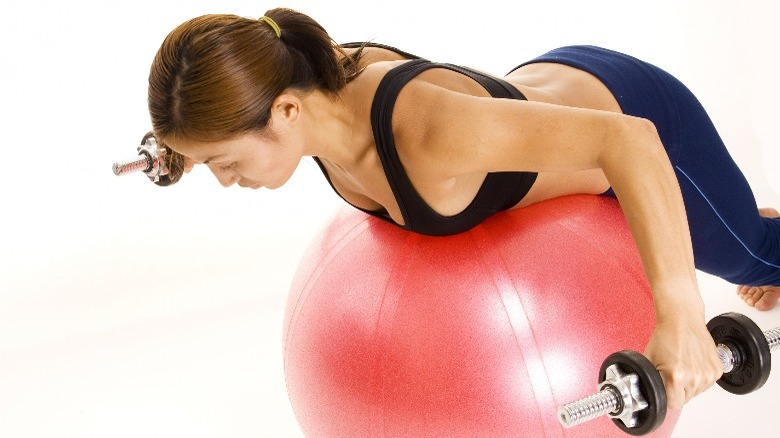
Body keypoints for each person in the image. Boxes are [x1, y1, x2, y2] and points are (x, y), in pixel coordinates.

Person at [146, 8, 780, 410]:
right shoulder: (302, 93)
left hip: (633, 118)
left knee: (753, 256)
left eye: (225, 163)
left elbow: (629, 140)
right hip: (539, 106)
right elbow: (222, 104)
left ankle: (753, 231)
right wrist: (186, 151)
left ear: (284, 110)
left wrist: (680, 312)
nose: (226, 181)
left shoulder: (427, 135)